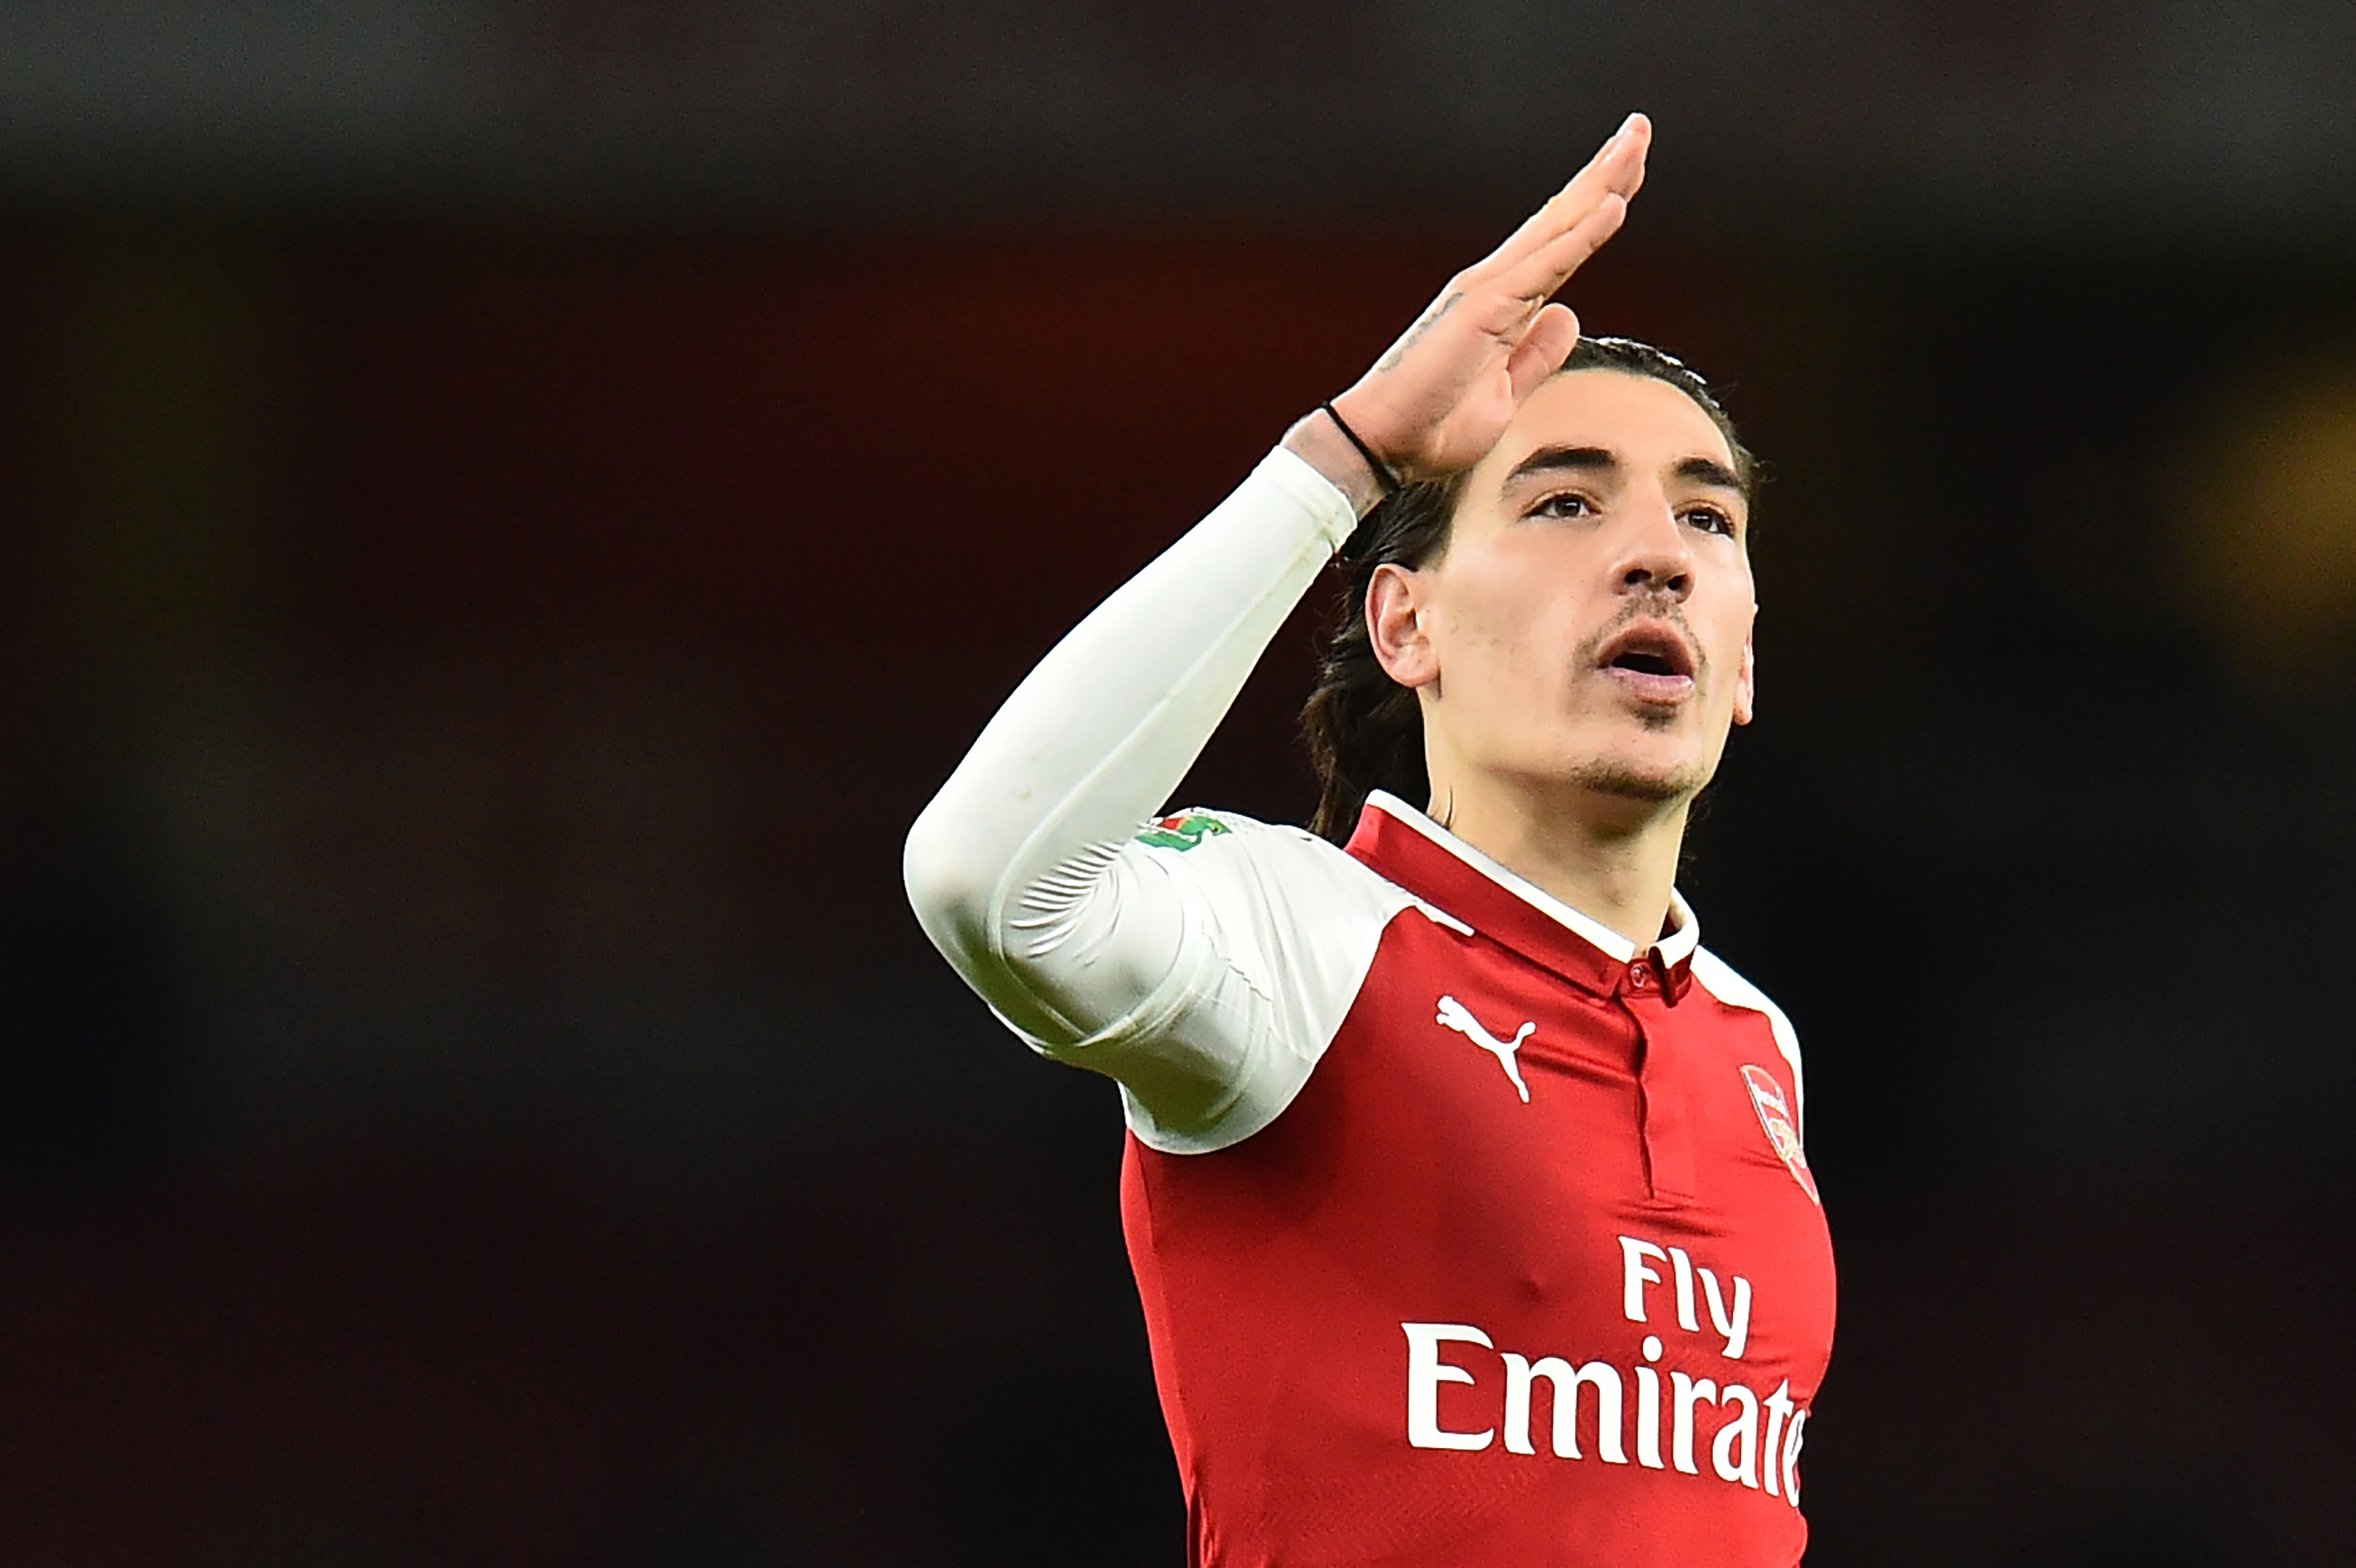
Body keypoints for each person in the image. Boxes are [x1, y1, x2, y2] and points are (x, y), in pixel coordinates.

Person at [902, 114, 1834, 1567]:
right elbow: (986, 882)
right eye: (1565, 501)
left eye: (1704, 519)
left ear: (1746, 658)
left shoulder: (1754, 1045)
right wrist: (1338, 460)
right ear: (1404, 622)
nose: (1655, 549)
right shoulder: (1300, 940)